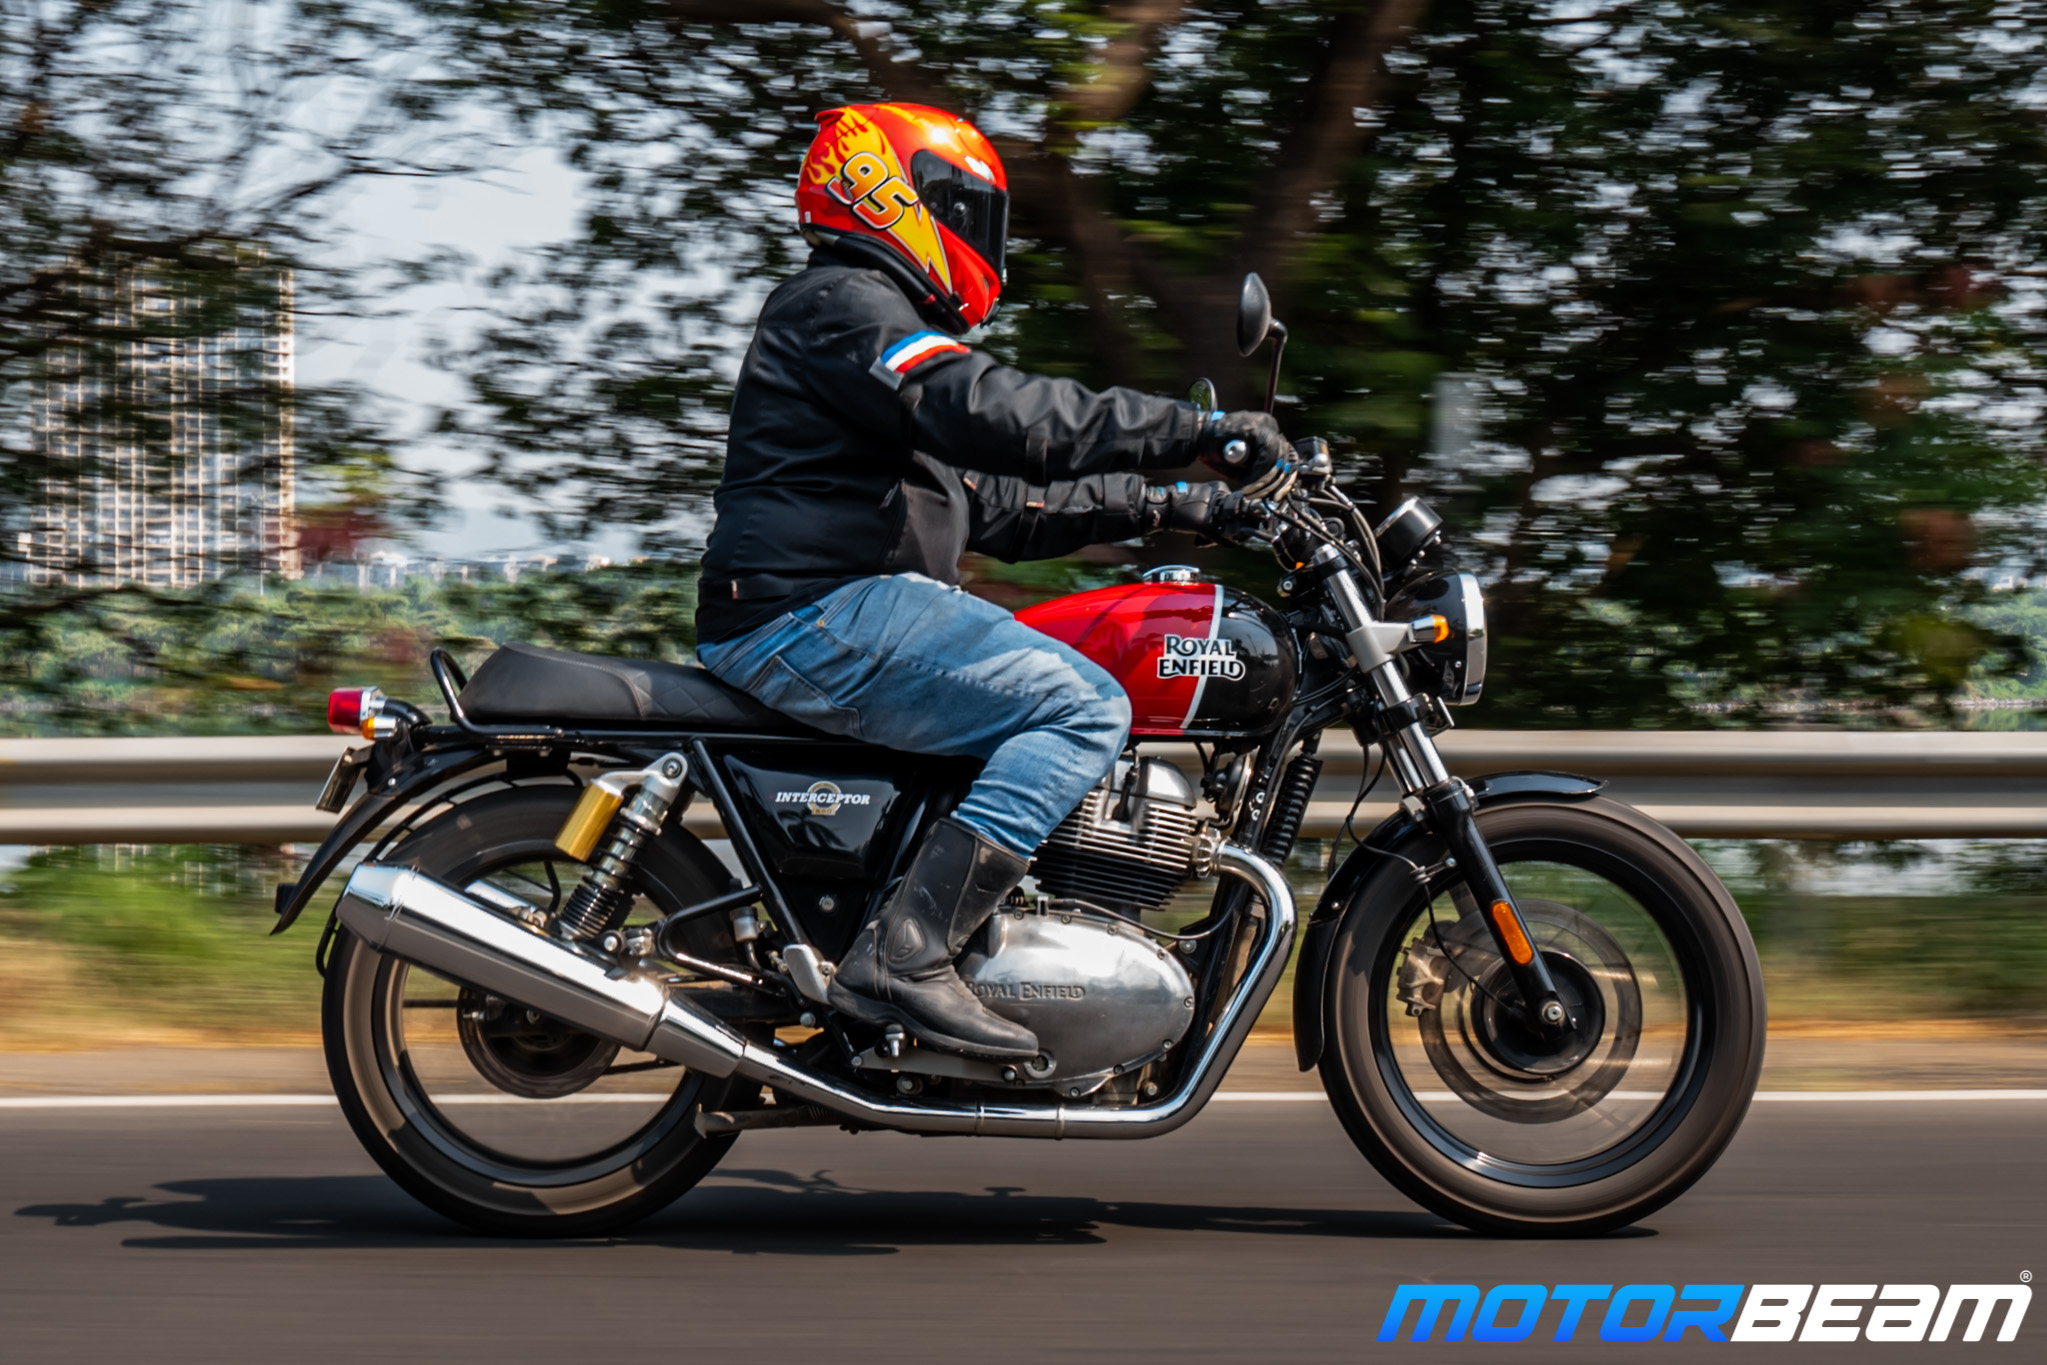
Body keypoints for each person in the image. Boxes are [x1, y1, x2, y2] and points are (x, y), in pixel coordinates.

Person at [695, 102, 1291, 1059]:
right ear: (890, 193)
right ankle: (907, 953)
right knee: (1081, 707)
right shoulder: (842, 305)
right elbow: (987, 410)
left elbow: (1005, 505)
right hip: (813, 611)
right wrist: (1191, 430)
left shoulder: (873, 336)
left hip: (835, 606)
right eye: (962, 209)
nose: (978, 234)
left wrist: (1178, 506)